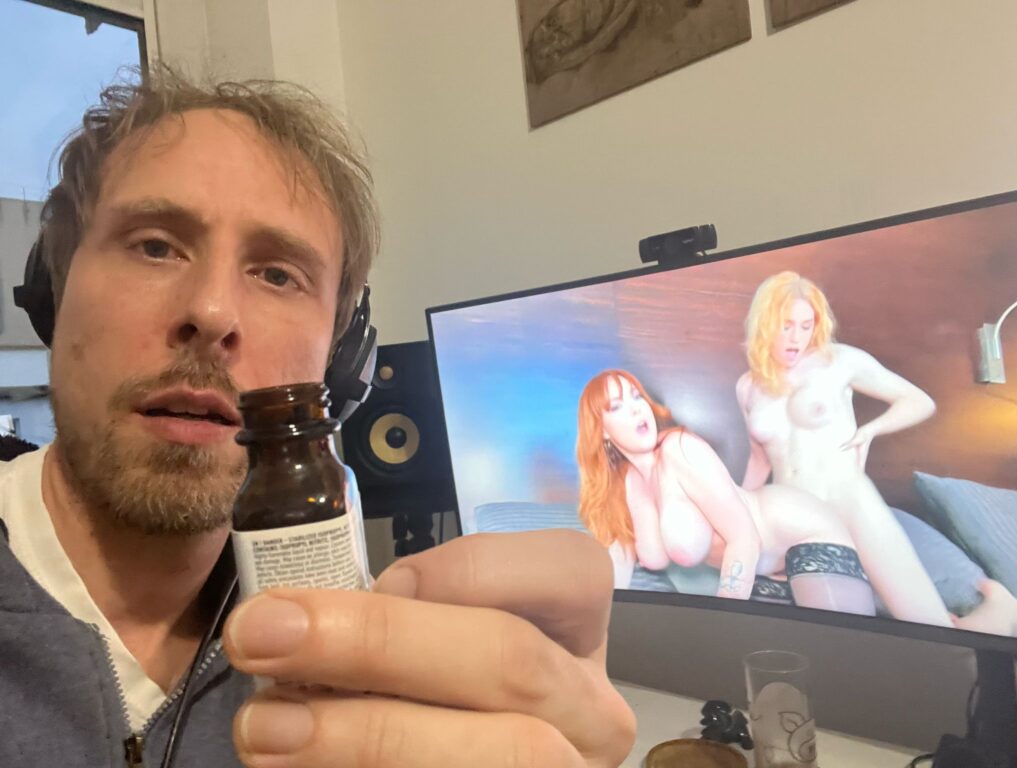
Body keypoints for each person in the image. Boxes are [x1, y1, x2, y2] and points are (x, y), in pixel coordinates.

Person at [0, 67, 635, 766]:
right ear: (52, 295)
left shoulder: (369, 660)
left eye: (278, 275)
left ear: (339, 363)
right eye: (155, 246)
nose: (212, 313)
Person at [736, 270, 956, 627]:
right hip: (793, 516)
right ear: (764, 323)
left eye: (806, 326)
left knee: (928, 624)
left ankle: (1002, 614)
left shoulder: (839, 360)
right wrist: (736, 513)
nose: (796, 338)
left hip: (847, 499)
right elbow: (759, 459)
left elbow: (919, 401)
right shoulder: (748, 386)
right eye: (785, 325)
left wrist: (871, 430)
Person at [576, 369, 877, 615]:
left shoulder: (679, 449)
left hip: (806, 534)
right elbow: (623, 557)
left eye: (636, 396)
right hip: (761, 571)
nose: (636, 408)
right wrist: (599, 622)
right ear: (602, 431)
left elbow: (745, 537)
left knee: (837, 651)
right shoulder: (631, 482)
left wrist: (724, 618)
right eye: (616, 406)